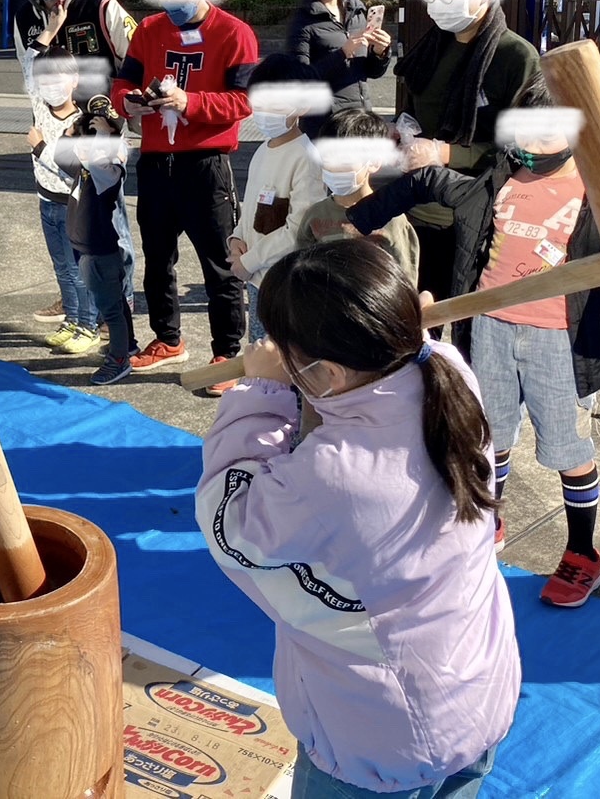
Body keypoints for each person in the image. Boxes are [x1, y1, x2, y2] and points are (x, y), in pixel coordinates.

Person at [197, 238, 519, 798]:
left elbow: (230, 522)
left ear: (327, 374)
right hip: (477, 690)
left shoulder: (333, 474)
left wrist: (263, 390)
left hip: (381, 738)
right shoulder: (445, 368)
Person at [344, 77, 600, 606]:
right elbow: (428, 180)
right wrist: (360, 220)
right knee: (491, 434)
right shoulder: (502, 177)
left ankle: (582, 554)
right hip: (492, 328)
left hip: (558, 342)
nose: (528, 148)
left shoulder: (598, 191)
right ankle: (486, 523)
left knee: (566, 448)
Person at [113, 0, 257, 384]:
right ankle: (168, 338)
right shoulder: (149, 31)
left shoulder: (234, 33)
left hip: (206, 163)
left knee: (220, 262)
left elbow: (245, 101)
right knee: (158, 259)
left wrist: (189, 102)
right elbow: (123, 83)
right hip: (157, 161)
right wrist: (129, 104)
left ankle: (227, 354)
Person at [394, 0, 540, 304]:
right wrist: (401, 131)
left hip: (470, 219)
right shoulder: (431, 45)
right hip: (413, 208)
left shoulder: (515, 57)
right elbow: (412, 109)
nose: (438, 1)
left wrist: (446, 154)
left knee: (458, 322)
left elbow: (523, 151)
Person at [14, 0, 137, 321]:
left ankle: (118, 305)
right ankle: (78, 300)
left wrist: (117, 114)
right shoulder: (26, 16)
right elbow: (28, 72)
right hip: (54, 134)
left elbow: (136, 60)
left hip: (99, 133)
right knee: (66, 222)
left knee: (109, 223)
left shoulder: (100, 5)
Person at [227, 55, 328, 344]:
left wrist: (248, 261)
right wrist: (236, 239)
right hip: (257, 277)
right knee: (260, 350)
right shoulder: (262, 150)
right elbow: (252, 211)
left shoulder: (305, 158)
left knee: (281, 357)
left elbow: (299, 229)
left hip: (284, 280)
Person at [54, 94, 137, 385]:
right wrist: (69, 134)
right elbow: (59, 158)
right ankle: (127, 346)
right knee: (113, 304)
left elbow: (105, 160)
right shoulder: (87, 169)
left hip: (99, 253)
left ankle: (119, 360)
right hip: (86, 250)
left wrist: (103, 133)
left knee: (110, 308)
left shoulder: (107, 172)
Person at [25, 52, 99, 354]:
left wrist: (40, 146)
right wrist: (51, 28)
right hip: (46, 202)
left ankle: (89, 326)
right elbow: (29, 63)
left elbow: (73, 167)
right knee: (62, 268)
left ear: (74, 81)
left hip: (73, 207)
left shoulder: (81, 122)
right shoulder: (40, 109)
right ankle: (71, 319)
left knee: (79, 270)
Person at [298, 108, 419, 286]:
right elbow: (301, 274)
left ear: (375, 162)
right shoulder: (314, 215)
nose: (334, 167)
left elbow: (406, 282)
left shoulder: (393, 219)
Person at [286, 0, 393, 131]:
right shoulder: (302, 21)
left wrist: (380, 52)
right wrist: (342, 53)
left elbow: (370, 72)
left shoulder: (357, 11)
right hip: (325, 126)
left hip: (360, 120)